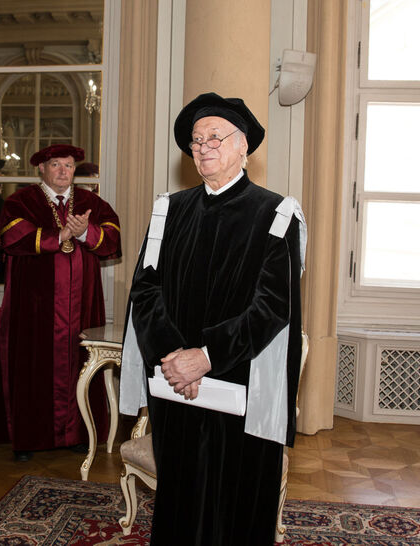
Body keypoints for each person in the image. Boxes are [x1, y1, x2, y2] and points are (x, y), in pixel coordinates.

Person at [120, 92, 306, 544]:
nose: (203, 147)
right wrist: (173, 358)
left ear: (244, 146)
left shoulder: (276, 215)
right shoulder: (170, 210)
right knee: (181, 497)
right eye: (195, 140)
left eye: (215, 137)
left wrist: (205, 356)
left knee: (236, 505)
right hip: (175, 384)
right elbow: (144, 290)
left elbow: (272, 306)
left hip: (240, 383)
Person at [0, 144, 121, 461]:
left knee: (80, 362)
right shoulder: (20, 201)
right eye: (56, 165)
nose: (64, 171)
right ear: (41, 169)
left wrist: (85, 234)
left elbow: (112, 237)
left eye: (68, 165)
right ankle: (29, 438)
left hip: (82, 305)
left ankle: (79, 433)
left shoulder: (91, 202)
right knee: (32, 364)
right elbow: (12, 237)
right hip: (34, 305)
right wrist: (61, 234)